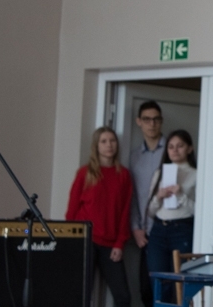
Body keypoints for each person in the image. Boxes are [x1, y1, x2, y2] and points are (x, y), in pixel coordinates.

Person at [66, 127, 133, 307]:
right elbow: (72, 210)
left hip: (111, 244)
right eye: (104, 141)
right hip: (85, 241)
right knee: (80, 294)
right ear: (96, 146)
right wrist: (71, 240)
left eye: (112, 141)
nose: (109, 145)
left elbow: (125, 211)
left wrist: (120, 243)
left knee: (123, 296)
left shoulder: (124, 175)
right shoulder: (84, 173)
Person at [145, 129, 197, 304]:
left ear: (189, 148)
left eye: (180, 146)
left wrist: (181, 195)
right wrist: (159, 197)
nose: (175, 150)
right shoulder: (159, 173)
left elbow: (199, 212)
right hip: (159, 229)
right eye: (171, 147)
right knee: (158, 281)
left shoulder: (196, 174)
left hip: (182, 229)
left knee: (180, 282)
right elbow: (150, 212)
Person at [130, 100, 166, 307]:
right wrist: (135, 227)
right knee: (146, 289)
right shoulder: (134, 157)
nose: (152, 124)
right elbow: (133, 196)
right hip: (145, 231)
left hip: (167, 227)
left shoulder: (171, 150)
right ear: (139, 122)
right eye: (147, 119)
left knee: (166, 289)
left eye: (156, 119)